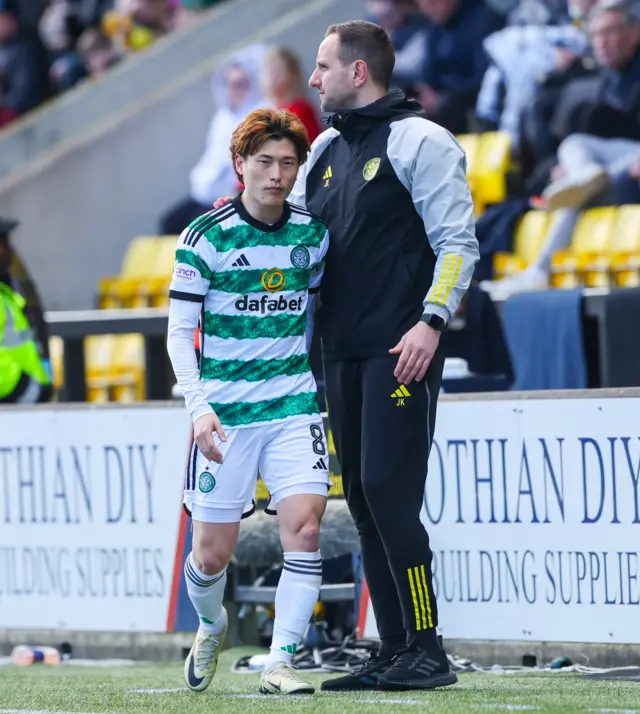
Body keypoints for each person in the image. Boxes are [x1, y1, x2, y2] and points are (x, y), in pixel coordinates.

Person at [291, 20, 478, 691]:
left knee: (392, 500)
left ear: (359, 72)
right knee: (365, 505)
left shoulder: (421, 141)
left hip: (401, 352)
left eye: (322, 67)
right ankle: (394, 647)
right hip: (338, 354)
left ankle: (428, 648)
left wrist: (432, 321)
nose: (313, 81)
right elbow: (293, 244)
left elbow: (459, 244)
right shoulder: (322, 151)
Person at [166, 107, 331, 695]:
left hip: (292, 405)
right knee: (211, 557)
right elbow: (178, 332)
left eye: (288, 163)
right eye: (264, 162)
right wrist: (199, 408)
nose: (276, 174)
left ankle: (282, 660)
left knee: (305, 530)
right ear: (240, 165)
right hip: (225, 417)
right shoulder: (205, 237)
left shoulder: (312, 234)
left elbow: (312, 317)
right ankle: (212, 624)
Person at [159, 45, 268, 235]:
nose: (237, 90)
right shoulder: (223, 117)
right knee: (169, 223)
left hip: (231, 195)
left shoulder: (260, 113)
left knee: (196, 230)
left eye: (242, 83)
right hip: (203, 193)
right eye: (232, 84)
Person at [0, 217, 52, 404]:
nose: (9, 251)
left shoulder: (6, 292)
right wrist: (24, 387)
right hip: (14, 404)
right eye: (4, 244)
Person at [262, 46, 322, 143]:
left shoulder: (300, 109)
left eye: (277, 71)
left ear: (292, 75)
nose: (272, 77)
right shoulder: (271, 110)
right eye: (269, 71)